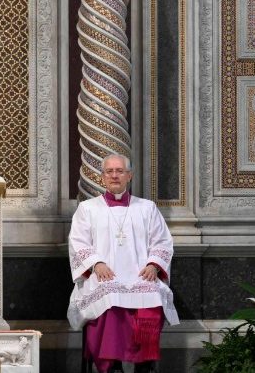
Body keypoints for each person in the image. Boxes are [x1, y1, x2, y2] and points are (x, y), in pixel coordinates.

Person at [67, 154, 179, 373]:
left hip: (140, 274)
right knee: (109, 299)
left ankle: (144, 364)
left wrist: (154, 264)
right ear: (102, 177)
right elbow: (78, 241)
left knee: (153, 295)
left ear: (130, 175)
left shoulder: (146, 208)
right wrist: (96, 263)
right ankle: (111, 365)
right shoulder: (88, 209)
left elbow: (163, 241)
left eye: (119, 171)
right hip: (103, 277)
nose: (114, 176)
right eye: (109, 171)